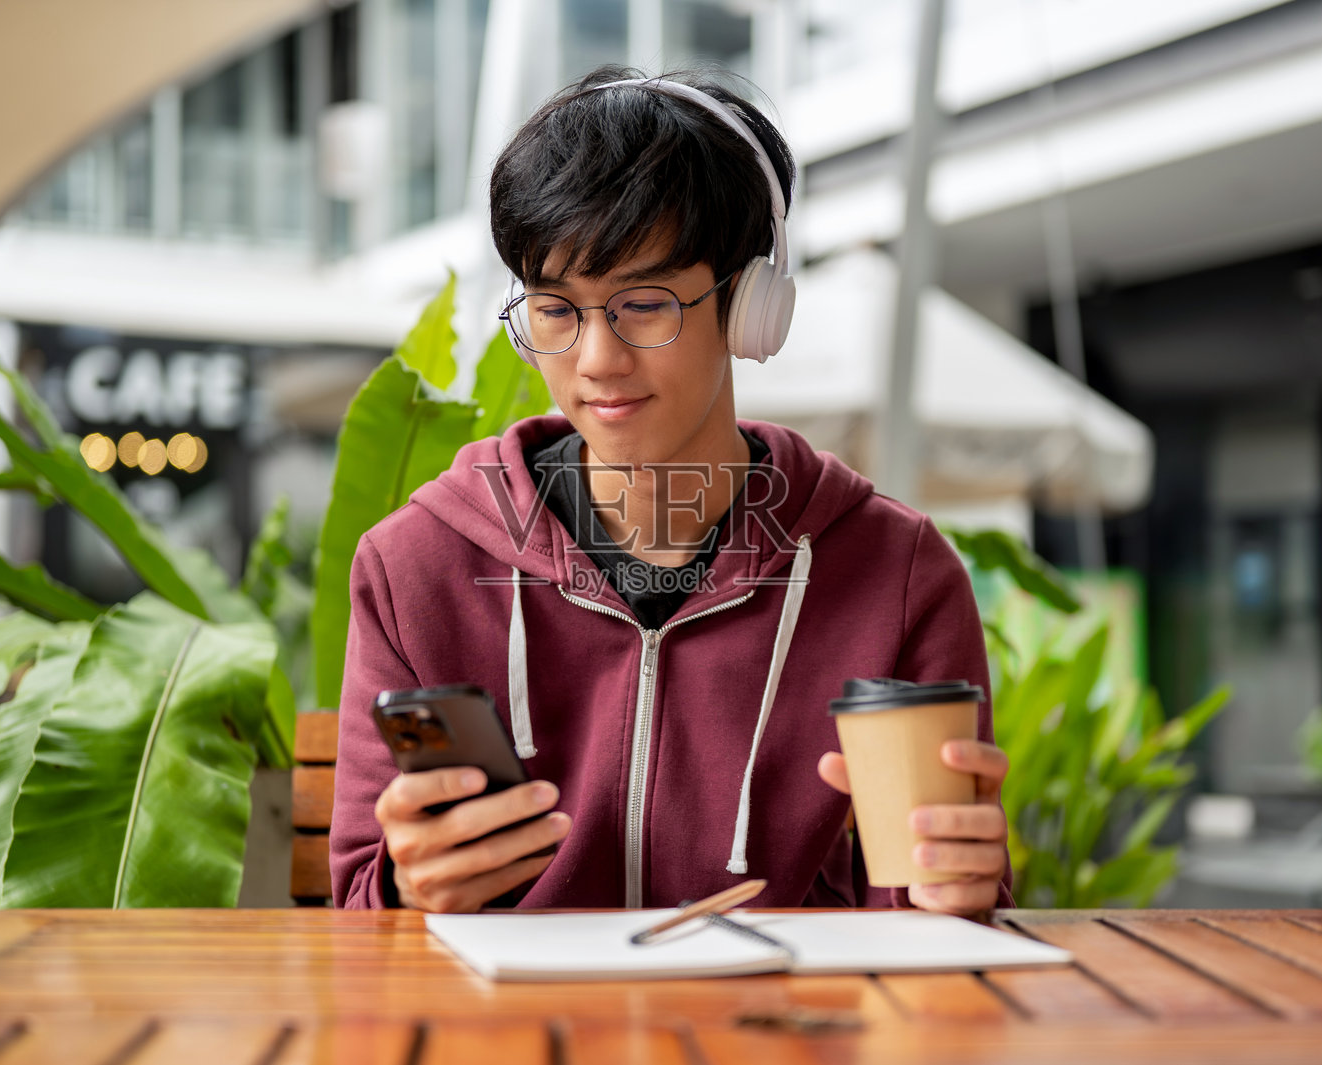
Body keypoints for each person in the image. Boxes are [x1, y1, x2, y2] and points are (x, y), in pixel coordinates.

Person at [330, 65, 1013, 916]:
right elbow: (360, 911)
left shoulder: (897, 574)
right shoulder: (415, 565)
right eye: (555, 310)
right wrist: (405, 883)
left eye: (644, 304)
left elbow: (927, 922)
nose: (596, 361)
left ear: (750, 304)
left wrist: (959, 886)